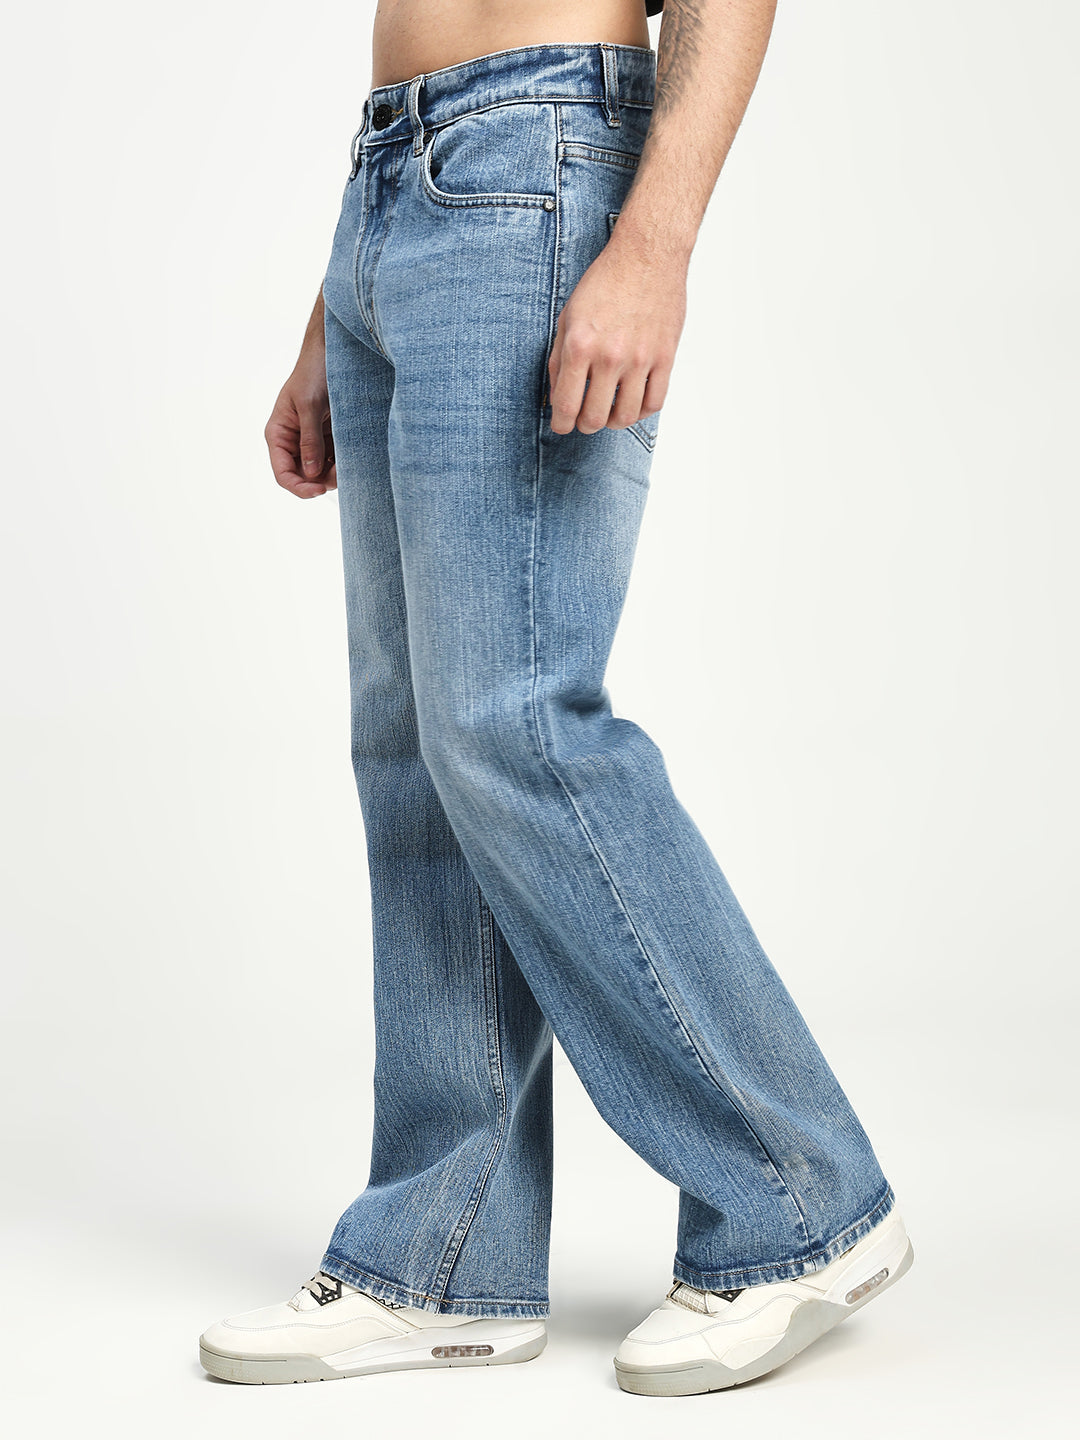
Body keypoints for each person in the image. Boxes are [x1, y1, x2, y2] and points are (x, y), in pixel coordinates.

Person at [199, 0, 913, 1396]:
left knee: (511, 721)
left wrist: (653, 239)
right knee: (414, 747)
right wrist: (336, 301)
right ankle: (443, 1255)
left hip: (543, 154)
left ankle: (799, 1202)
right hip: (396, 179)